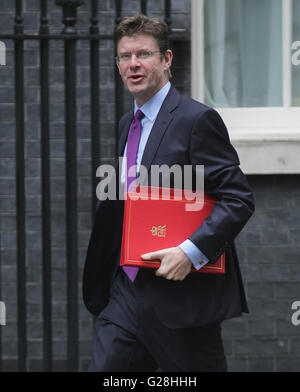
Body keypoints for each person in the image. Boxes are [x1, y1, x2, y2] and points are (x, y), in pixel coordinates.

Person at [82, 14, 255, 372]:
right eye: (124, 57)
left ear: (166, 59)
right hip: (125, 292)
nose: (133, 65)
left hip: (180, 296)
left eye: (143, 54)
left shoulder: (196, 120)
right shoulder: (126, 124)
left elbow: (238, 199)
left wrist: (190, 253)